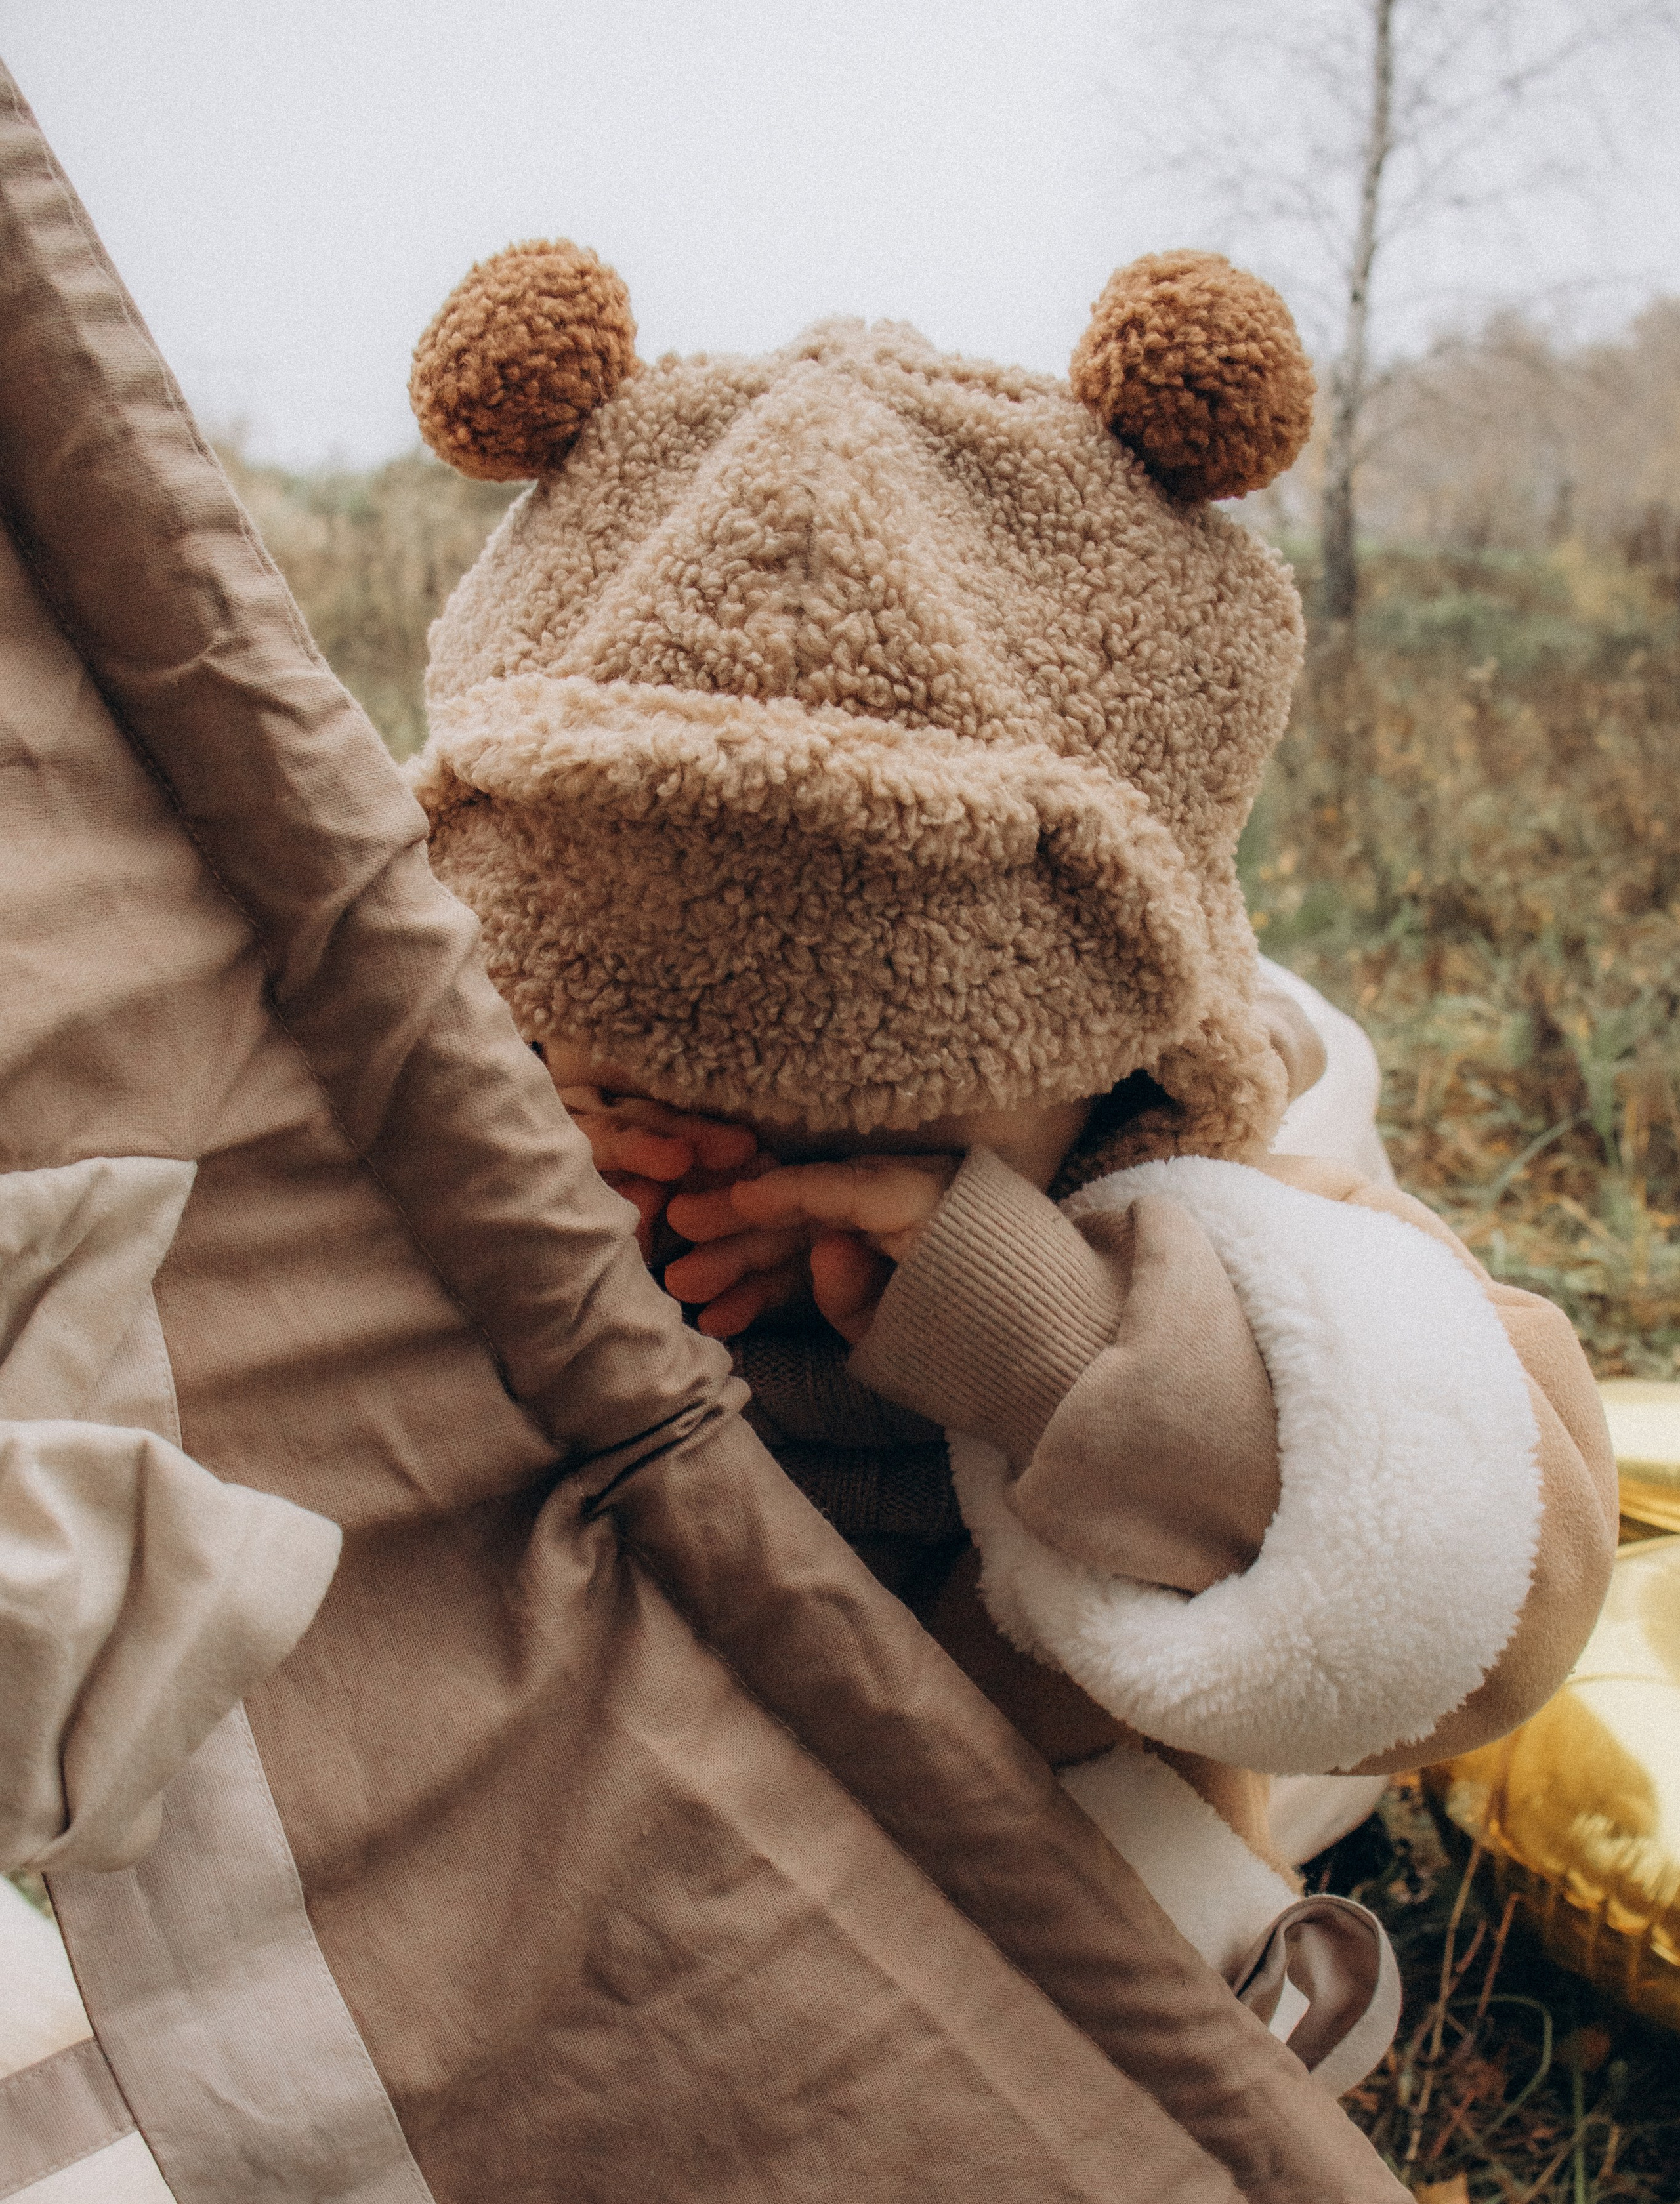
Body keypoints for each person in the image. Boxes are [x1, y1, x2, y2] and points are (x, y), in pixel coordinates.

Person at [405, 239, 1617, 2083]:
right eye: (622, 1080)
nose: (726, 1172)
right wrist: (501, 1205)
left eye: (873, 1118)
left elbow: (1495, 1595)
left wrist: (1057, 1332)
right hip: (620, 1920)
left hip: (1047, 1934)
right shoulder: (460, 1179)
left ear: (1109, 1061)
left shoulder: (1241, 1216)